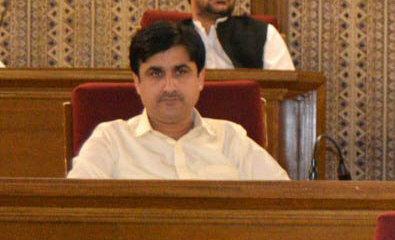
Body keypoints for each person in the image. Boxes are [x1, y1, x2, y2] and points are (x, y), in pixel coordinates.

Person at [68, 21, 289, 180]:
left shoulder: (231, 139)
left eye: (180, 72)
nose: (169, 87)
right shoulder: (111, 140)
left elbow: (282, 201)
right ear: (137, 82)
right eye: (156, 73)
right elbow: (77, 207)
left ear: (200, 79)